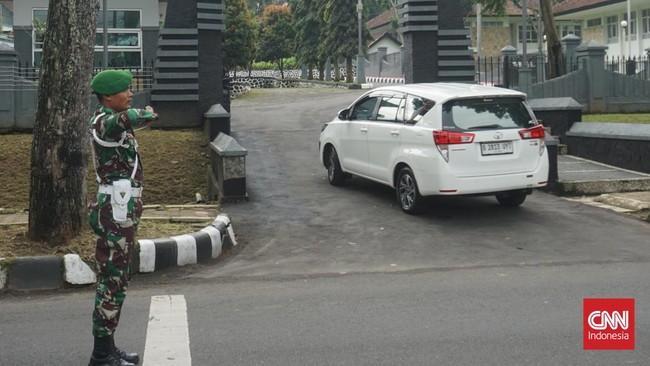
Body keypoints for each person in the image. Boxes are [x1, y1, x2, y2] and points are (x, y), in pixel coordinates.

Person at [87, 70, 158, 366]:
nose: (131, 94)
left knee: (118, 279)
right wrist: (148, 112)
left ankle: (108, 348)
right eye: (125, 91)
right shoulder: (106, 122)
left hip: (120, 209)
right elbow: (131, 118)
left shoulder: (111, 121)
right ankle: (101, 355)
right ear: (107, 97)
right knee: (112, 281)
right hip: (114, 213)